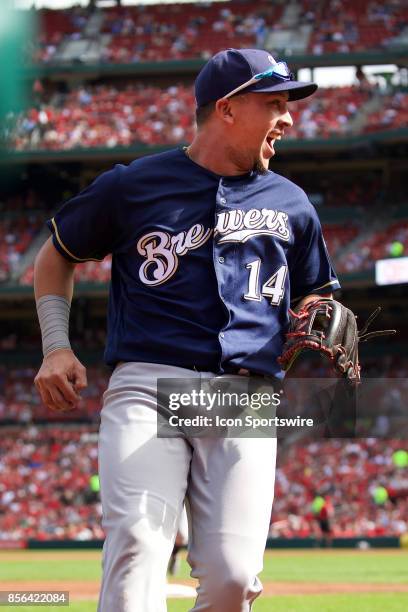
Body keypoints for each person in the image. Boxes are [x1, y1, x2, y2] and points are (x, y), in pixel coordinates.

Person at [33, 48, 340, 611]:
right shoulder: (134, 185)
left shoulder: (292, 203)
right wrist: (56, 346)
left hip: (244, 397)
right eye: (274, 103)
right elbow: (56, 257)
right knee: (137, 547)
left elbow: (313, 291)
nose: (289, 118)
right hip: (150, 386)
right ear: (226, 108)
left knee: (233, 576)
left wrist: (314, 311)